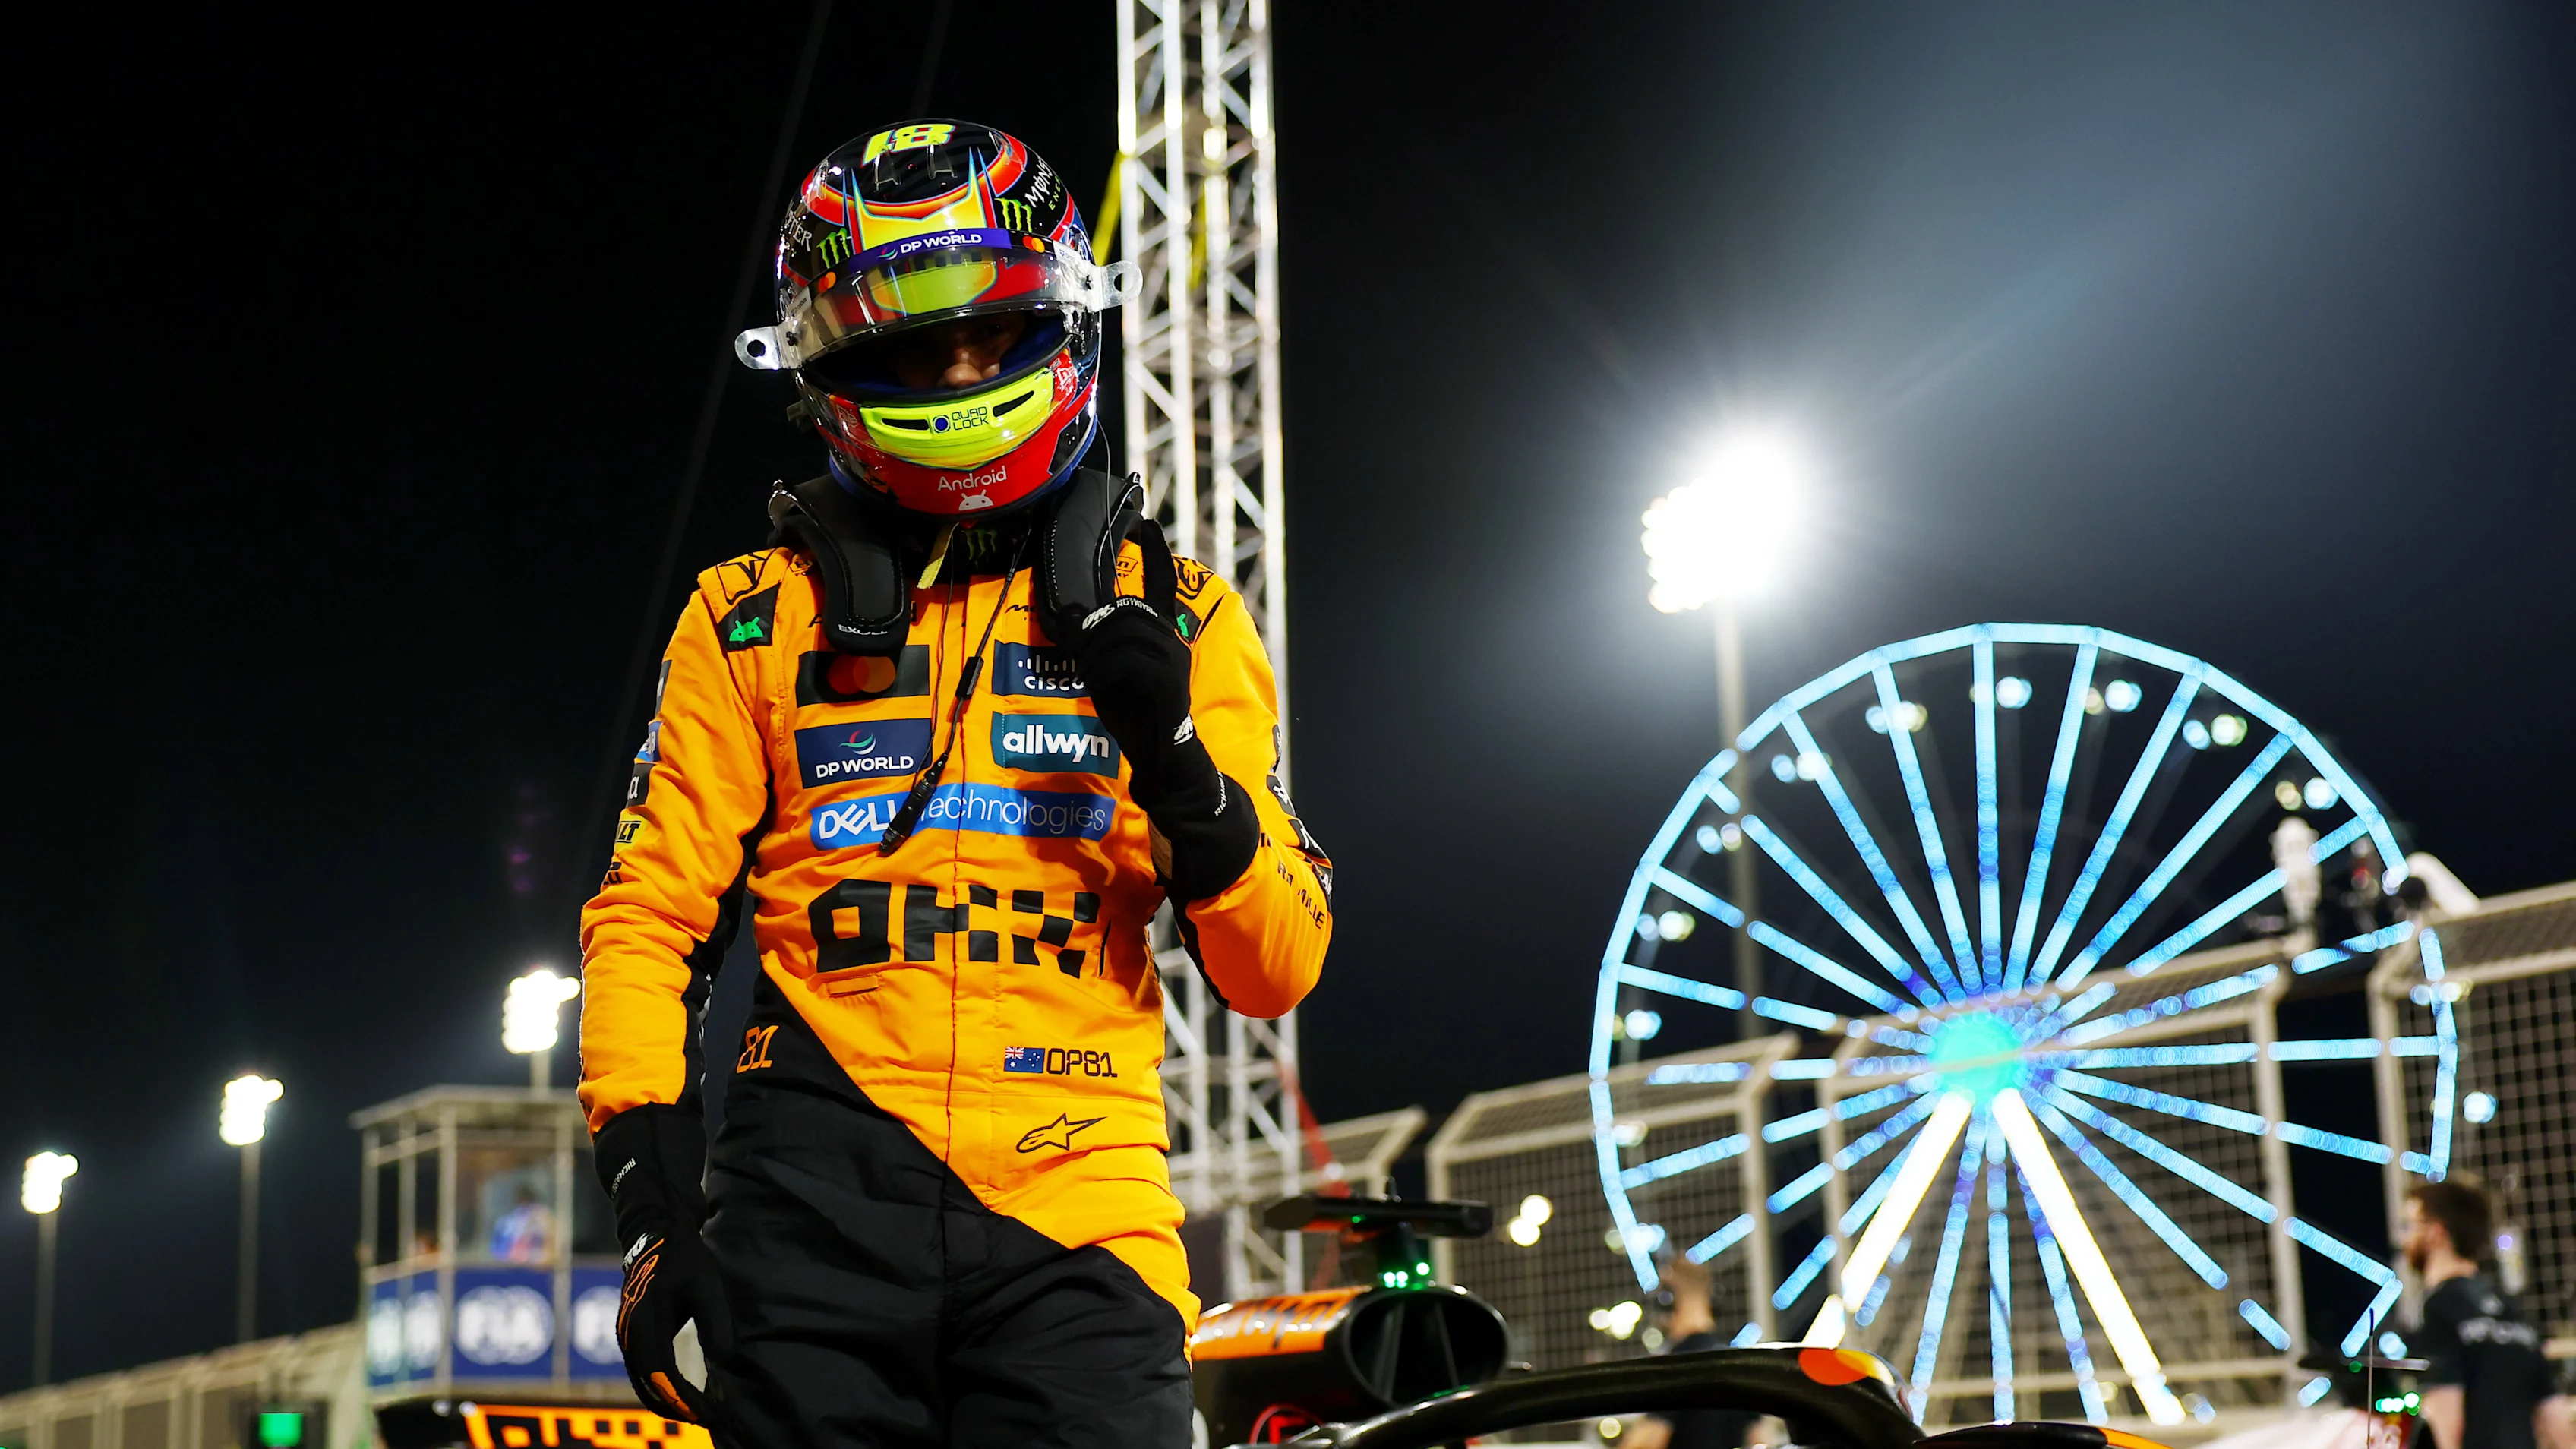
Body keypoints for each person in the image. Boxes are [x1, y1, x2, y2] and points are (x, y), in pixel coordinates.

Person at [577, 119, 1334, 1448]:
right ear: (835, 362)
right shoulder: (749, 615)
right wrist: (648, 1208)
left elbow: (1277, 966)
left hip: (1079, 1220)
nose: (968, 371)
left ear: (1063, 324)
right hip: (803, 1222)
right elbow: (643, 924)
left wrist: (1174, 755)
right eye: (921, 344)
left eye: (997, 331)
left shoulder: (1186, 613)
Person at [2400, 1176, 2573, 1449]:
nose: (2402, 1239)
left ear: (2435, 1233)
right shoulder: (2511, 1310)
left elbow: (2446, 1421)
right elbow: (2554, 1416)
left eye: (2409, 1226)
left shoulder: (2435, 1308)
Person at [1624, 1255, 1759, 1449]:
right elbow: (1760, 1437)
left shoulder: (1676, 1365)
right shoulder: (1737, 1364)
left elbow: (1647, 1443)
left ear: (1667, 1301)